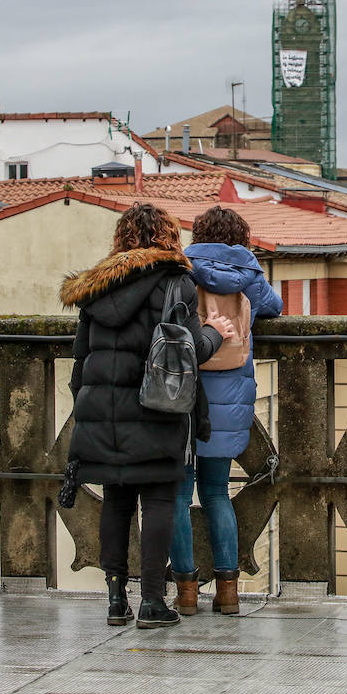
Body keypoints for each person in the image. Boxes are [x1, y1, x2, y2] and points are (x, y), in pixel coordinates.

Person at [60, 203, 235, 629]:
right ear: (168, 237)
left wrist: (90, 405)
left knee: (116, 501)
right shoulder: (176, 281)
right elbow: (189, 351)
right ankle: (153, 601)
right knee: (158, 500)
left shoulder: (95, 288)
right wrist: (217, 332)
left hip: (101, 411)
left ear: (121, 239)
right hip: (158, 408)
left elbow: (80, 359)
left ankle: (116, 600)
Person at [168, 206, 283, 616]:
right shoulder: (249, 276)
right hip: (229, 397)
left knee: (179, 495)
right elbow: (274, 306)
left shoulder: (182, 268)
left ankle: (185, 592)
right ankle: (229, 591)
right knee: (217, 492)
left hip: (183, 394)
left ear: (198, 233)